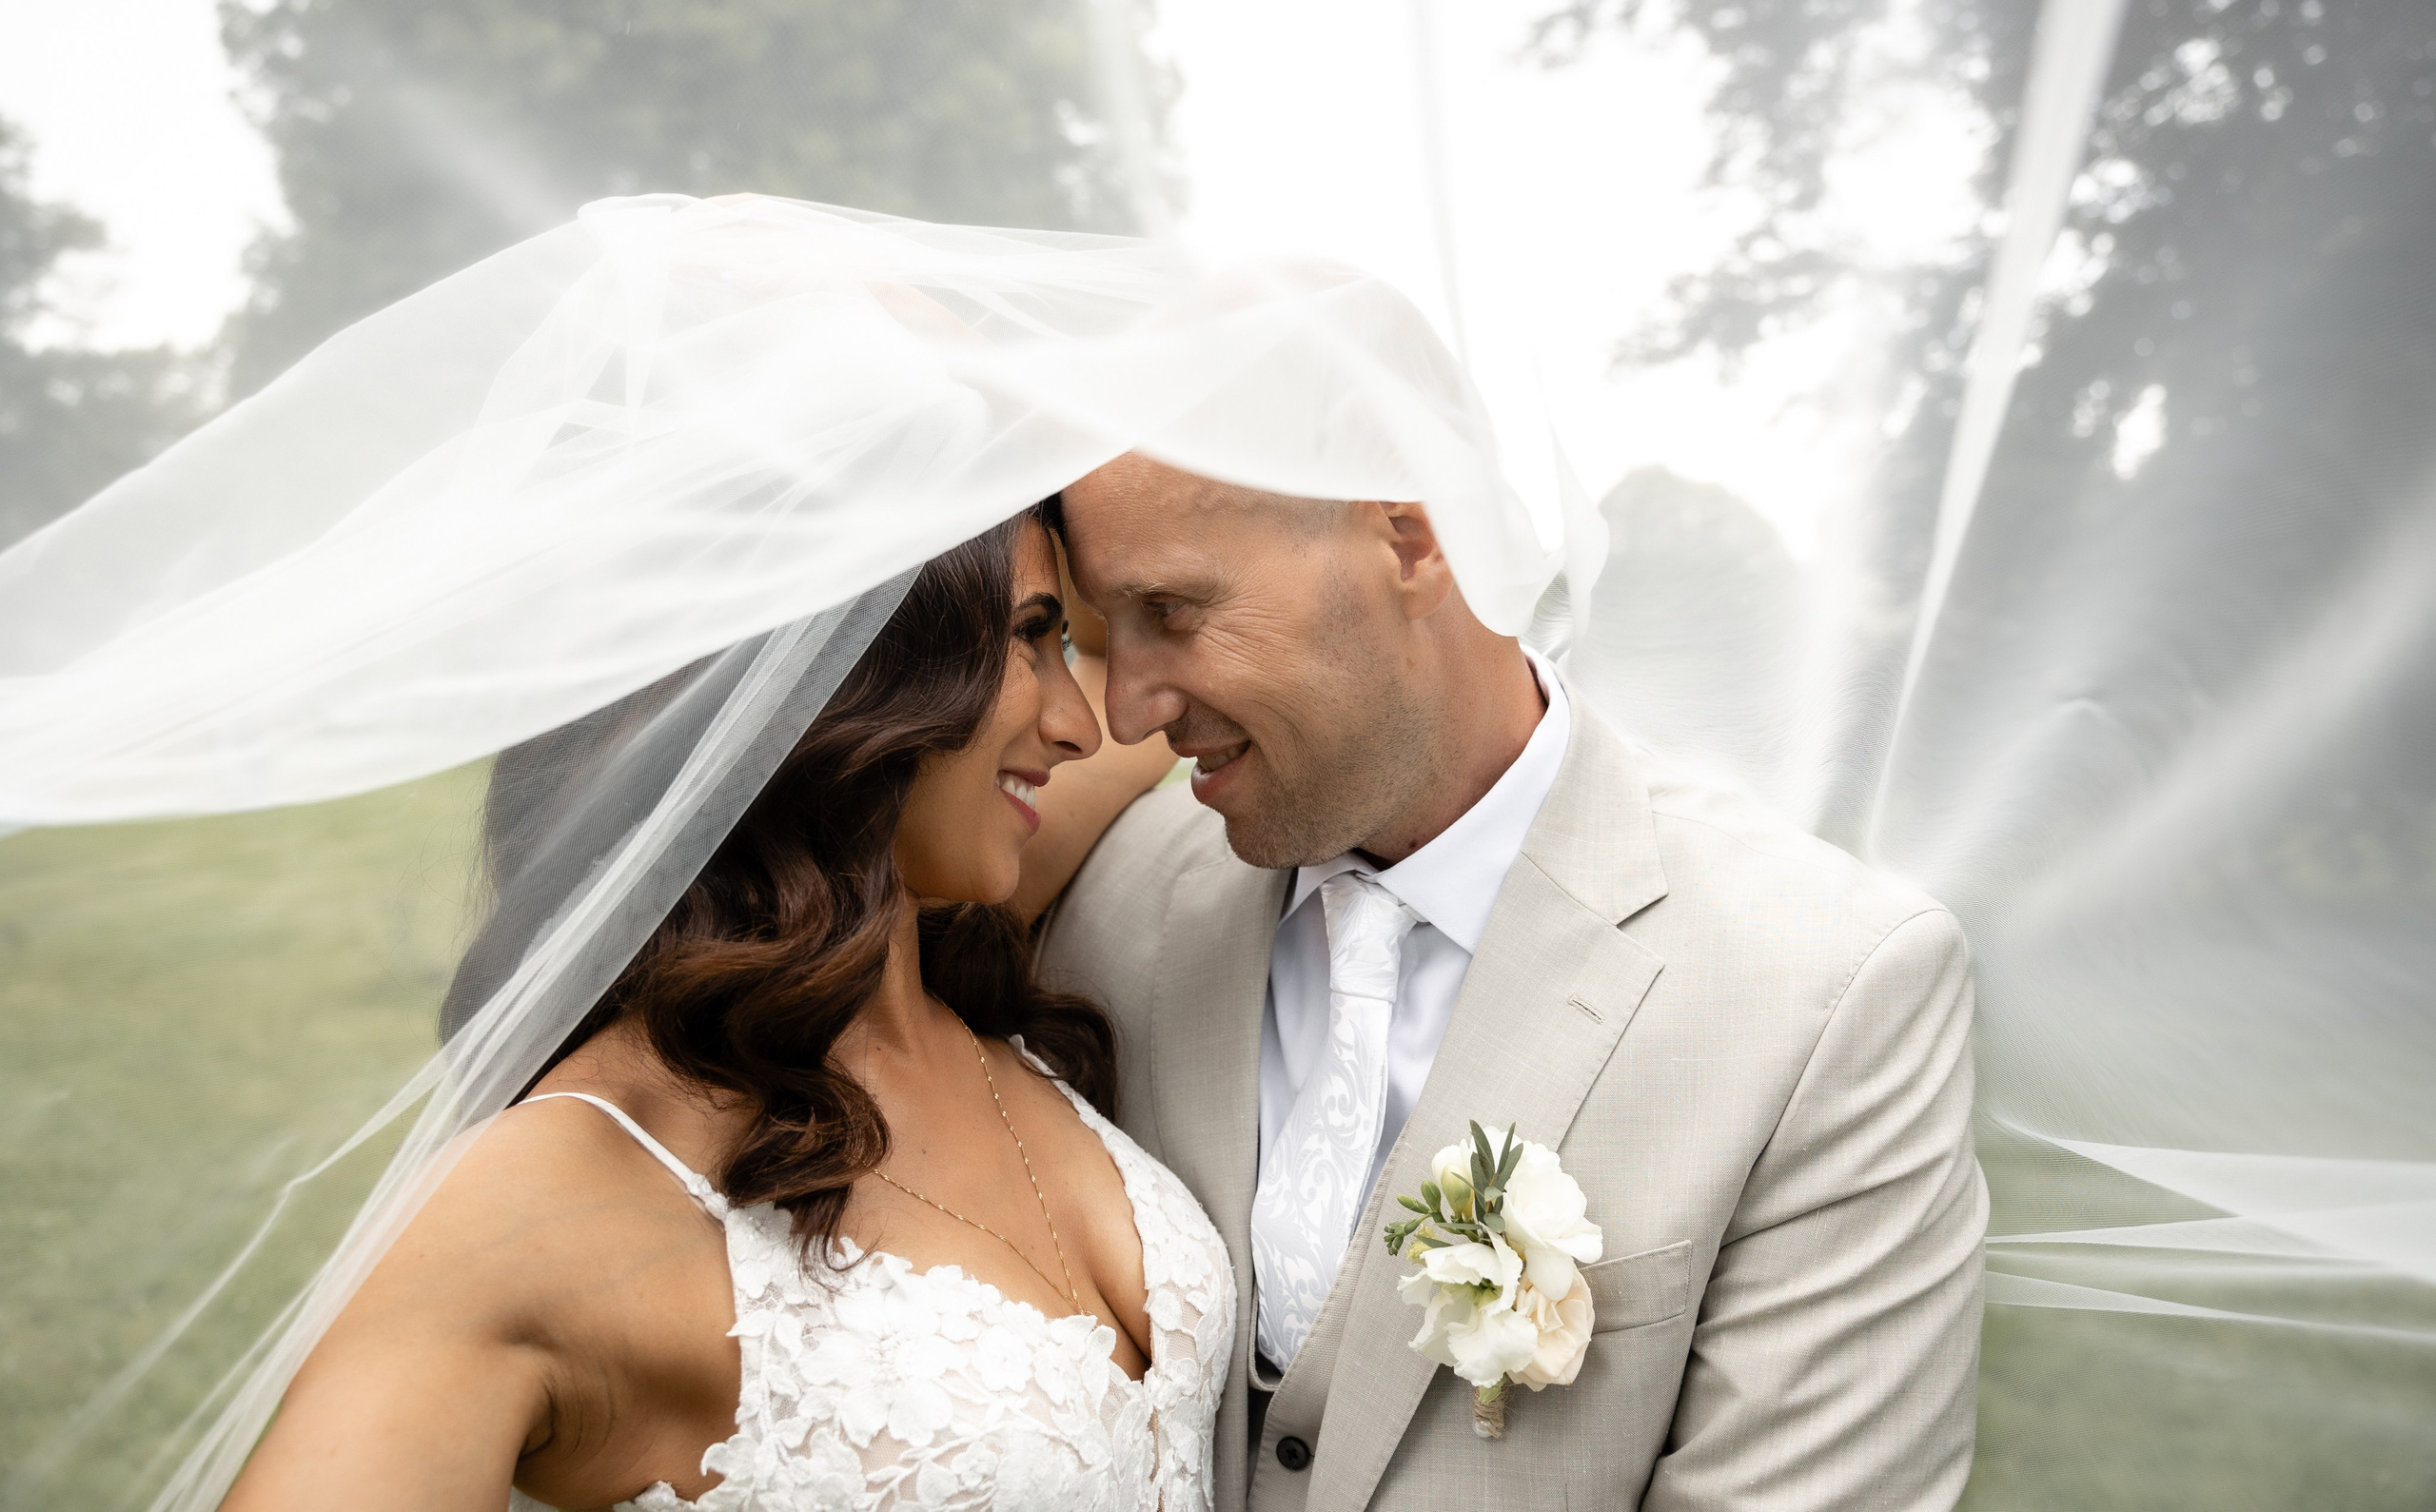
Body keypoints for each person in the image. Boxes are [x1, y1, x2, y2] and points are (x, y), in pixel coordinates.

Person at [224, 505, 1226, 1512]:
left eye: (1064, 646)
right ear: (843, 667)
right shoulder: (551, 1191)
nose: (1080, 723)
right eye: (1028, 635)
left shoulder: (971, 948)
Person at [1044, 456, 1988, 1511]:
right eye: (1091, 636)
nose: (1126, 713)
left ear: (1409, 540)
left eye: (1167, 611)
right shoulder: (1104, 904)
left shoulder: (1829, 985)